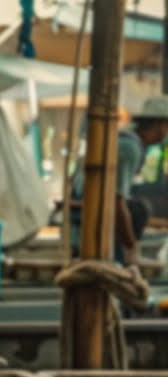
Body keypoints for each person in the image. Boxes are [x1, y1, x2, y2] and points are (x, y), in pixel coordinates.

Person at [68, 95, 168, 269]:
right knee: (138, 211)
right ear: (160, 126)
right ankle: (118, 258)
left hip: (90, 209)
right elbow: (116, 199)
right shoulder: (130, 148)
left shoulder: (128, 141)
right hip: (91, 213)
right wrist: (131, 246)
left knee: (137, 208)